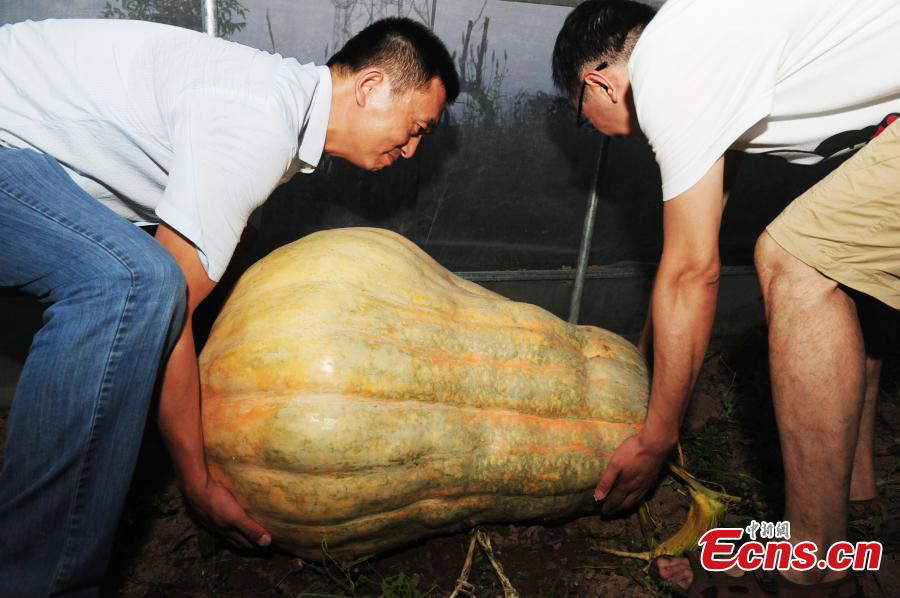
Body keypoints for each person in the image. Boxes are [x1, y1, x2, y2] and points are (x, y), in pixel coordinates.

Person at [0, 16, 458, 597]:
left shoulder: (274, 110)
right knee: (134, 285)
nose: (413, 150)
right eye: (416, 128)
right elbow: (170, 307)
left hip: (24, 148)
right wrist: (198, 482)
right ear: (369, 87)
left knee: (144, 280)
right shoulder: (259, 123)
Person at [552, 0, 899, 594]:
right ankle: (855, 495)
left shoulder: (669, 64)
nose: (595, 126)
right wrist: (644, 368)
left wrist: (656, 439)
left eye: (582, 115)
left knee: (797, 261)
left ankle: (813, 570)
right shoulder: (715, 55)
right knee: (844, 256)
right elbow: (692, 249)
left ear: (599, 84)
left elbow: (693, 275)